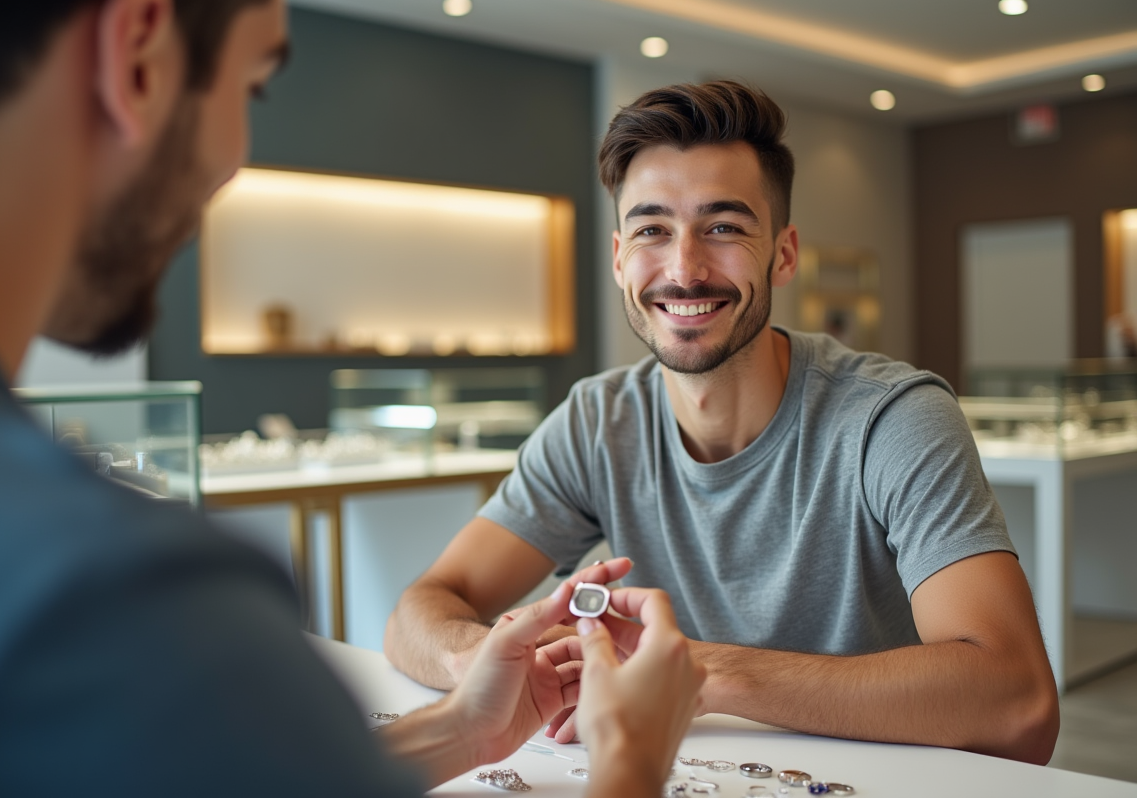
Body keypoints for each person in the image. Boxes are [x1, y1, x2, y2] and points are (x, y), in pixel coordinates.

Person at [0, 0, 705, 795]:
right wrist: (631, 758)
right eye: (254, 86)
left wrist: (457, 728)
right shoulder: (115, 603)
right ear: (137, 55)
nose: (235, 160)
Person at [385, 80, 1061, 764]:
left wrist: (698, 671)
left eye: (724, 227)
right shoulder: (597, 420)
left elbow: (1018, 703)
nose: (684, 269)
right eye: (653, 229)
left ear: (785, 254)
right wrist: (482, 661)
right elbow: (425, 607)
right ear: (620, 259)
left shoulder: (892, 419)